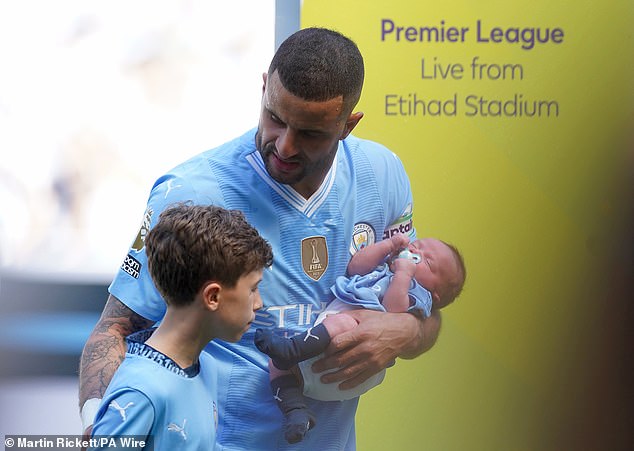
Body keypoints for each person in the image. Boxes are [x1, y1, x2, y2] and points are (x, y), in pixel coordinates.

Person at [79, 27, 442, 450]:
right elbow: (115, 328)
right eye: (275, 117)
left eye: (310, 133)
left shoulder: (384, 176)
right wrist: (100, 427)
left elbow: (427, 307)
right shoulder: (188, 192)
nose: (285, 145)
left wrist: (406, 332)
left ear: (348, 124)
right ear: (265, 87)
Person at [89, 204, 273, 450]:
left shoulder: (205, 365)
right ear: (213, 297)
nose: (259, 303)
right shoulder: (141, 392)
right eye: (253, 289)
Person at [255, 233, 466, 443]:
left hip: (347, 361)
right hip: (320, 367)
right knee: (277, 367)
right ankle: (296, 412)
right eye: (417, 245)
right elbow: (355, 267)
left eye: (427, 261)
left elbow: (394, 310)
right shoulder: (386, 266)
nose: (416, 252)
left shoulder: (418, 295)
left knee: (343, 322)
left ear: (435, 293)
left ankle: (292, 349)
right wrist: (389, 245)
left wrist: (403, 275)